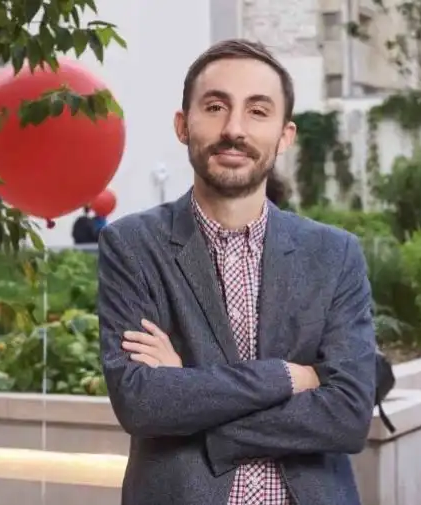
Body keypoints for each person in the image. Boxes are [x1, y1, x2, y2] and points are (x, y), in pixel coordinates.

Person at [97, 38, 376, 505]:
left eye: (257, 111)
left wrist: (195, 396)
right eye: (215, 106)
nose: (234, 128)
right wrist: (288, 377)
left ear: (284, 136)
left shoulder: (334, 254)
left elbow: (348, 416)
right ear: (183, 125)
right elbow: (143, 403)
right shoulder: (132, 246)